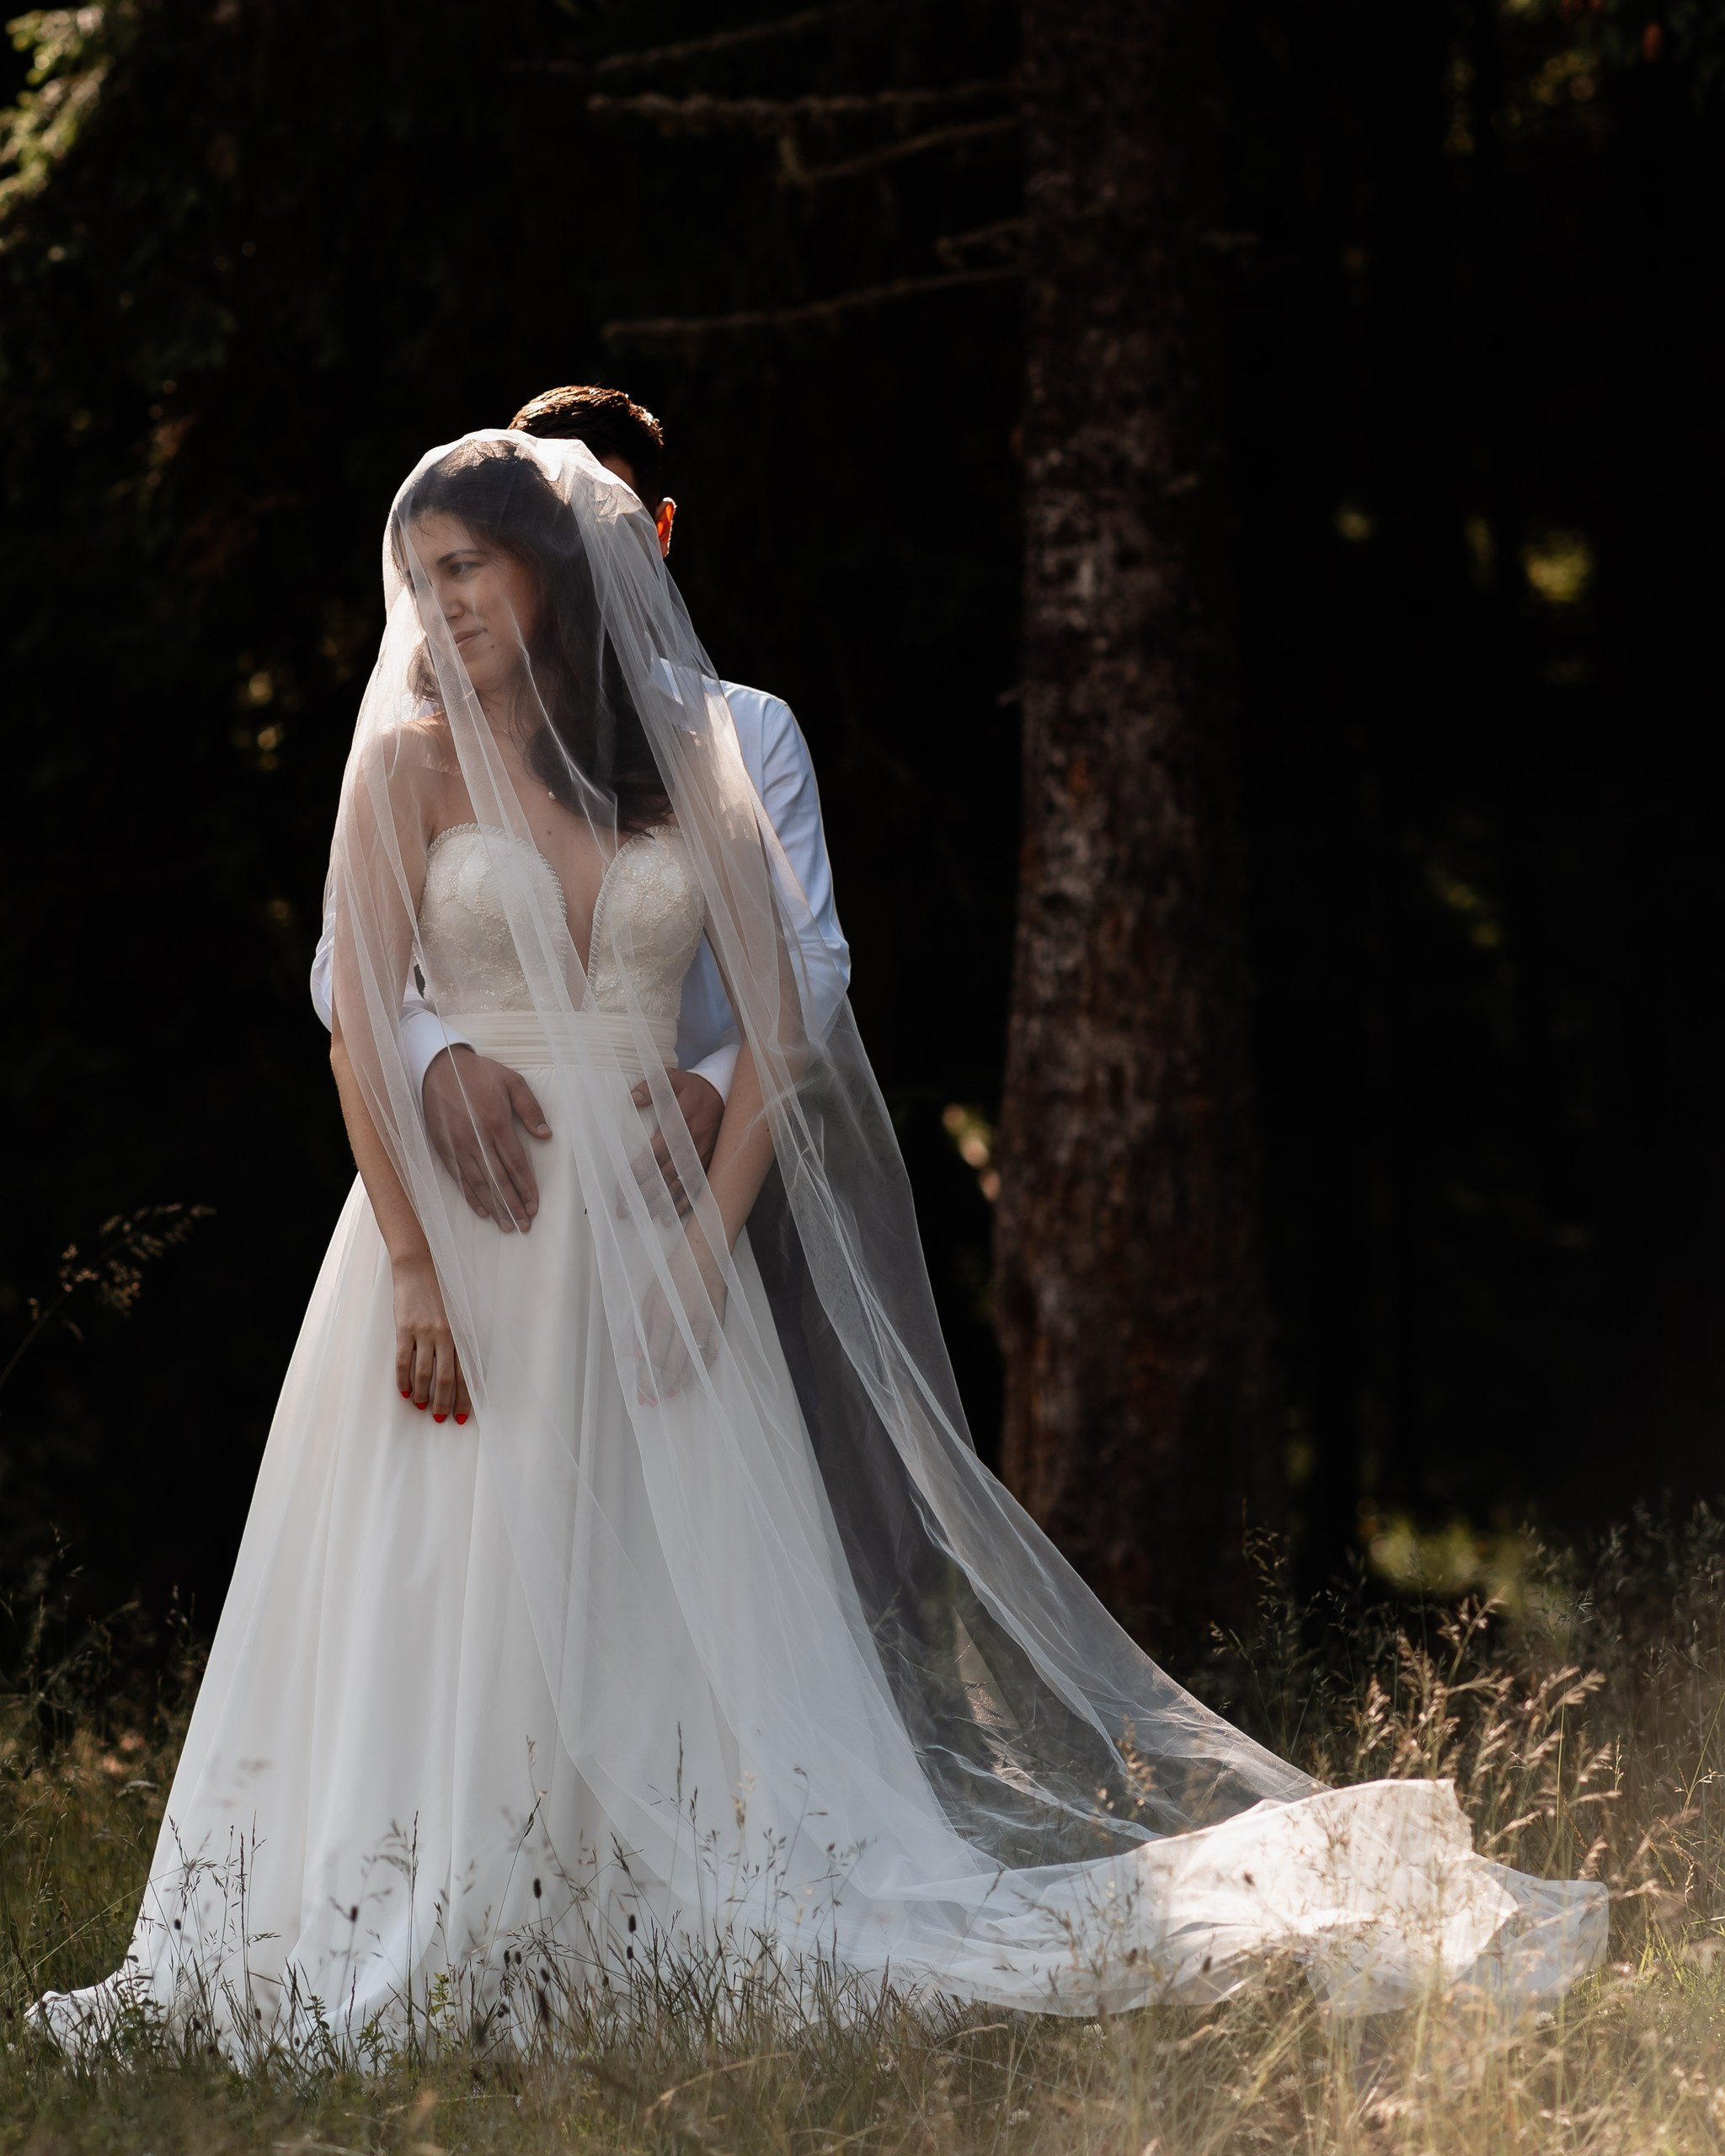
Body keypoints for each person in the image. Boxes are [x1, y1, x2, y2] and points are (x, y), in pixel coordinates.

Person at [34, 428, 1605, 2066]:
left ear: (553, 572)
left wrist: (709, 1246)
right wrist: (419, 1265)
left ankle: (644, 1916)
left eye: (467, 570)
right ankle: (425, 1904)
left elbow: (783, 1013)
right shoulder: (404, 762)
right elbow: (358, 1026)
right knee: (446, 1562)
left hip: (650, 1242)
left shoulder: (691, 754)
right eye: (416, 577)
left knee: (652, 1580)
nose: (437, 608)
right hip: (462, 1238)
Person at [308, 386, 846, 1235]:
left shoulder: (732, 735)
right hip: (492, 1166)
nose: (589, 553)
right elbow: (350, 971)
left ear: (657, 532)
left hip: (692, 1166)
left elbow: (805, 959)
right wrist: (433, 1059)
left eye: (610, 523)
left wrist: (717, 1081)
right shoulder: (419, 758)